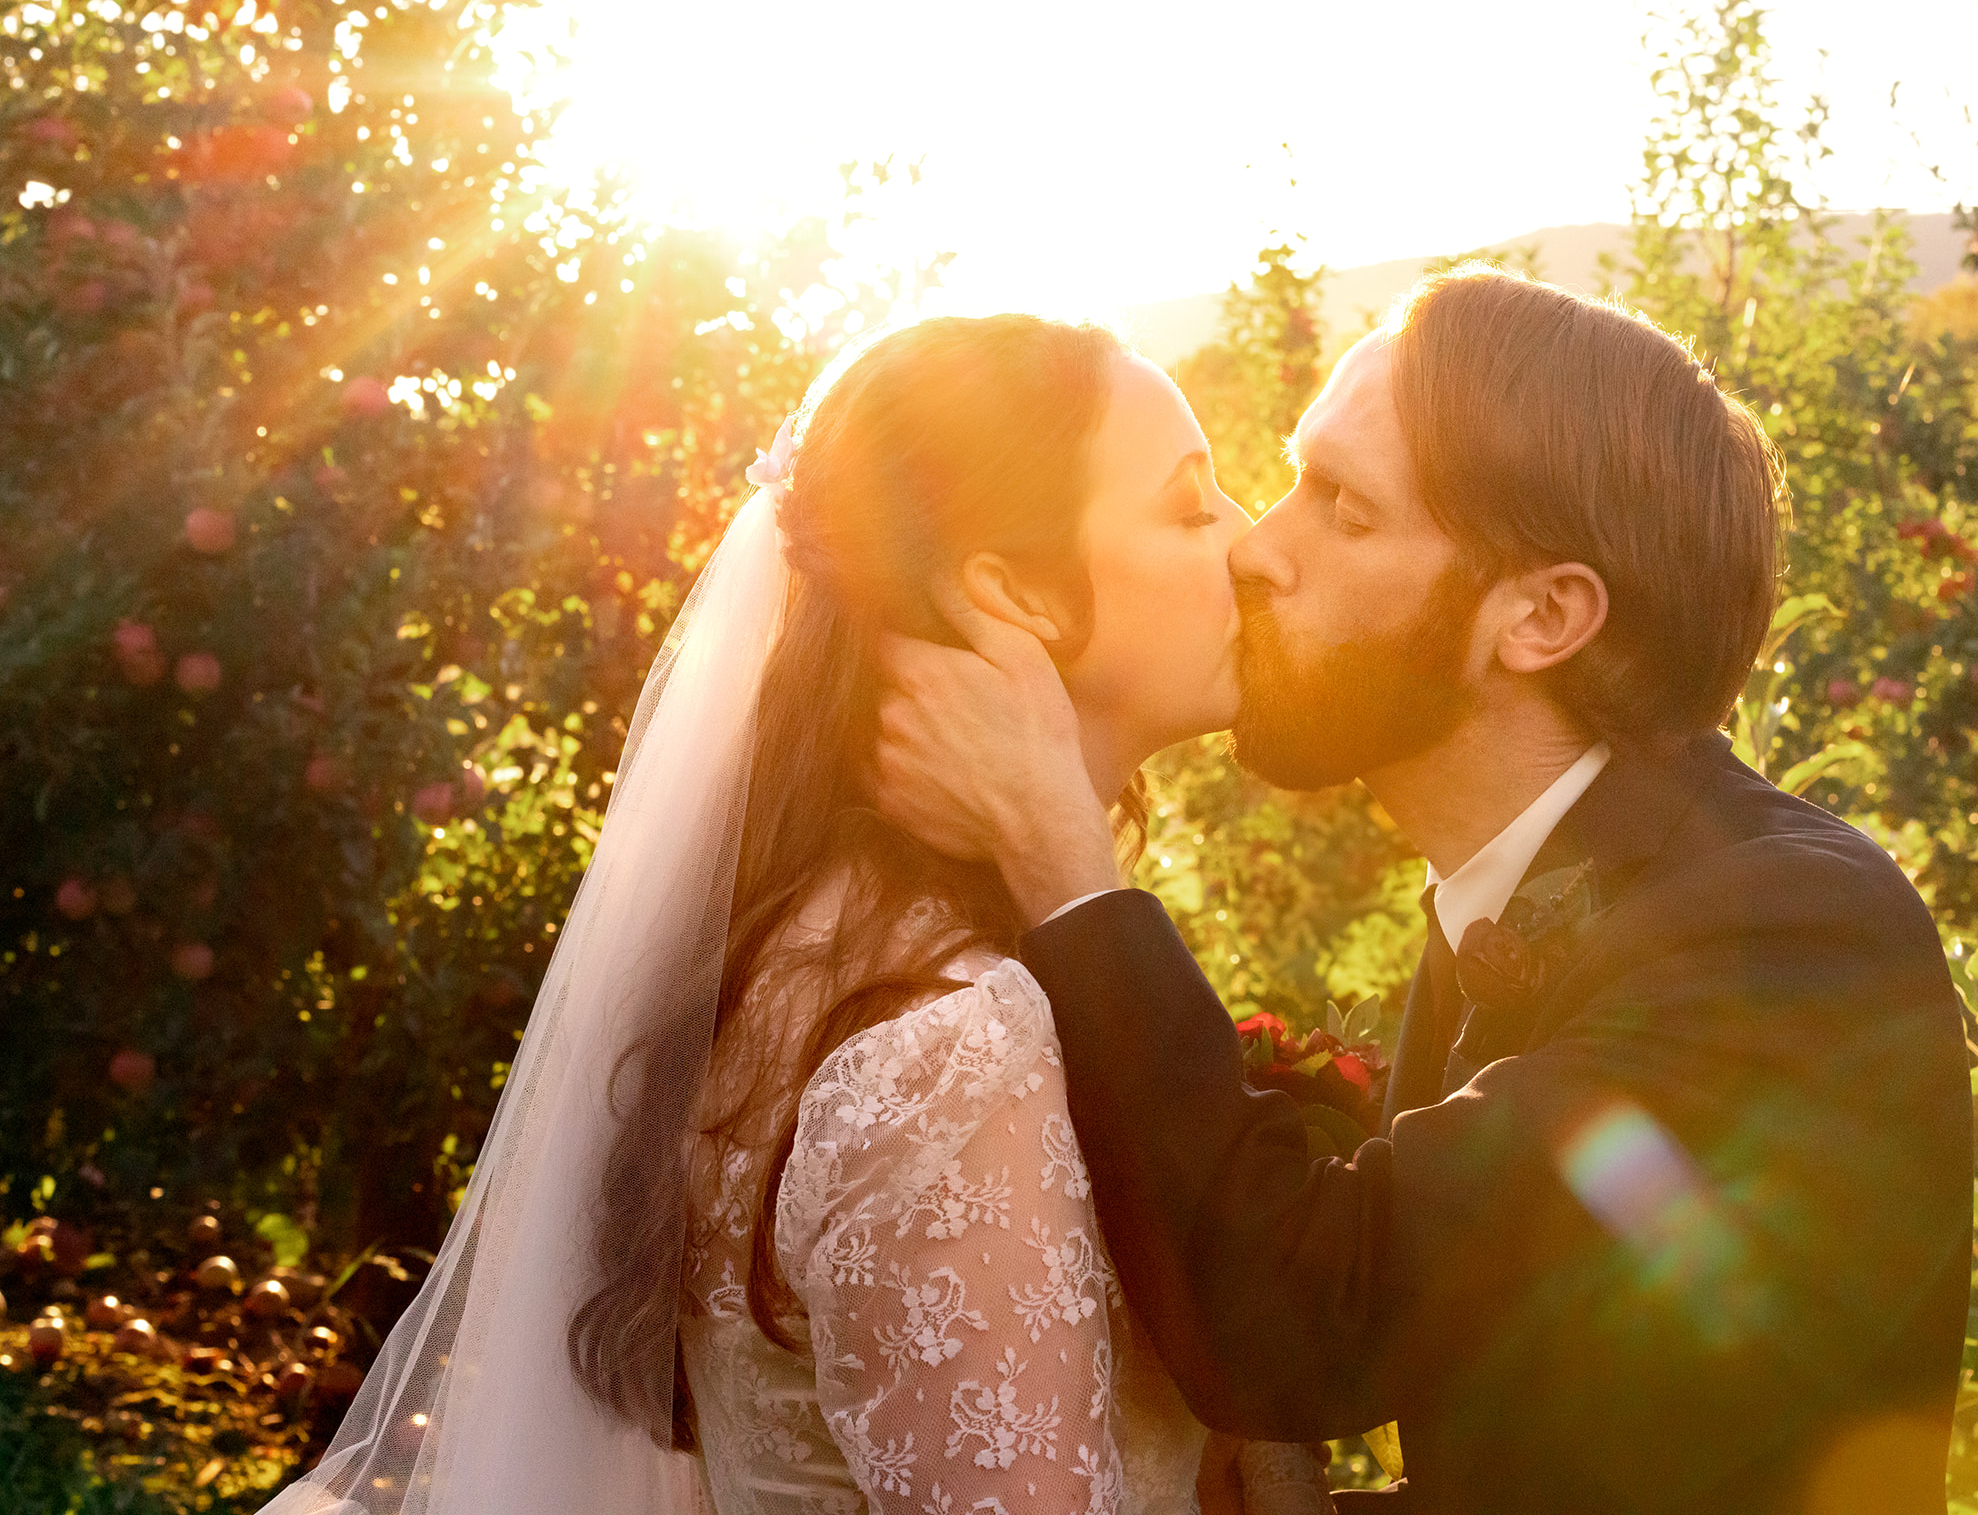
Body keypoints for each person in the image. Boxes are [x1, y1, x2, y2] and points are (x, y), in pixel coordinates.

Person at [874, 270, 1976, 1514]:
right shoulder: (1517, 895)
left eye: (1341, 507)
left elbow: (1298, 1321)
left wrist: (1060, 853)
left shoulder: (1784, 939)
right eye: (1293, 478)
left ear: (1542, 616)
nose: (1256, 546)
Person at [261, 314, 1330, 1515]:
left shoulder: (808, 945)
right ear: (1013, 592)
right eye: (1193, 508)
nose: (1247, 545)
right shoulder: (951, 1044)